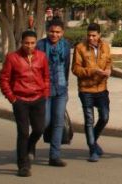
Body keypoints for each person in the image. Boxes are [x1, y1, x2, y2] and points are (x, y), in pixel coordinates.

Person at [0, 30, 50, 178]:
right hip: (20, 100)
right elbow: (4, 79)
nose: (29, 46)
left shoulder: (42, 57)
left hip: (38, 98)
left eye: (32, 43)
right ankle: (23, 165)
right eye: (26, 43)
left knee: (39, 129)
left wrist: (45, 93)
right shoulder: (12, 58)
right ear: (21, 43)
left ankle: (30, 145)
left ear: (36, 43)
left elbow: (46, 76)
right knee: (23, 132)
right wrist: (12, 98)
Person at [72, 23, 112, 162]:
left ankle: (92, 140)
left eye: (94, 35)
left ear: (99, 35)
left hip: (102, 88)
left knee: (105, 117)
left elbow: (108, 61)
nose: (91, 38)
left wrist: (108, 70)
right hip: (86, 90)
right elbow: (75, 69)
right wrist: (92, 71)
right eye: (89, 35)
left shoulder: (105, 46)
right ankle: (92, 149)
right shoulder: (80, 48)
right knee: (89, 120)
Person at [36, 19, 70, 167]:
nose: (54, 34)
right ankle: (30, 145)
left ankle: (54, 156)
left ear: (62, 33)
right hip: (44, 90)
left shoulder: (66, 46)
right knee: (44, 121)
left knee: (58, 122)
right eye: (52, 31)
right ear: (47, 31)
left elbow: (66, 66)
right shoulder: (40, 46)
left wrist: (65, 86)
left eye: (58, 32)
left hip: (61, 89)